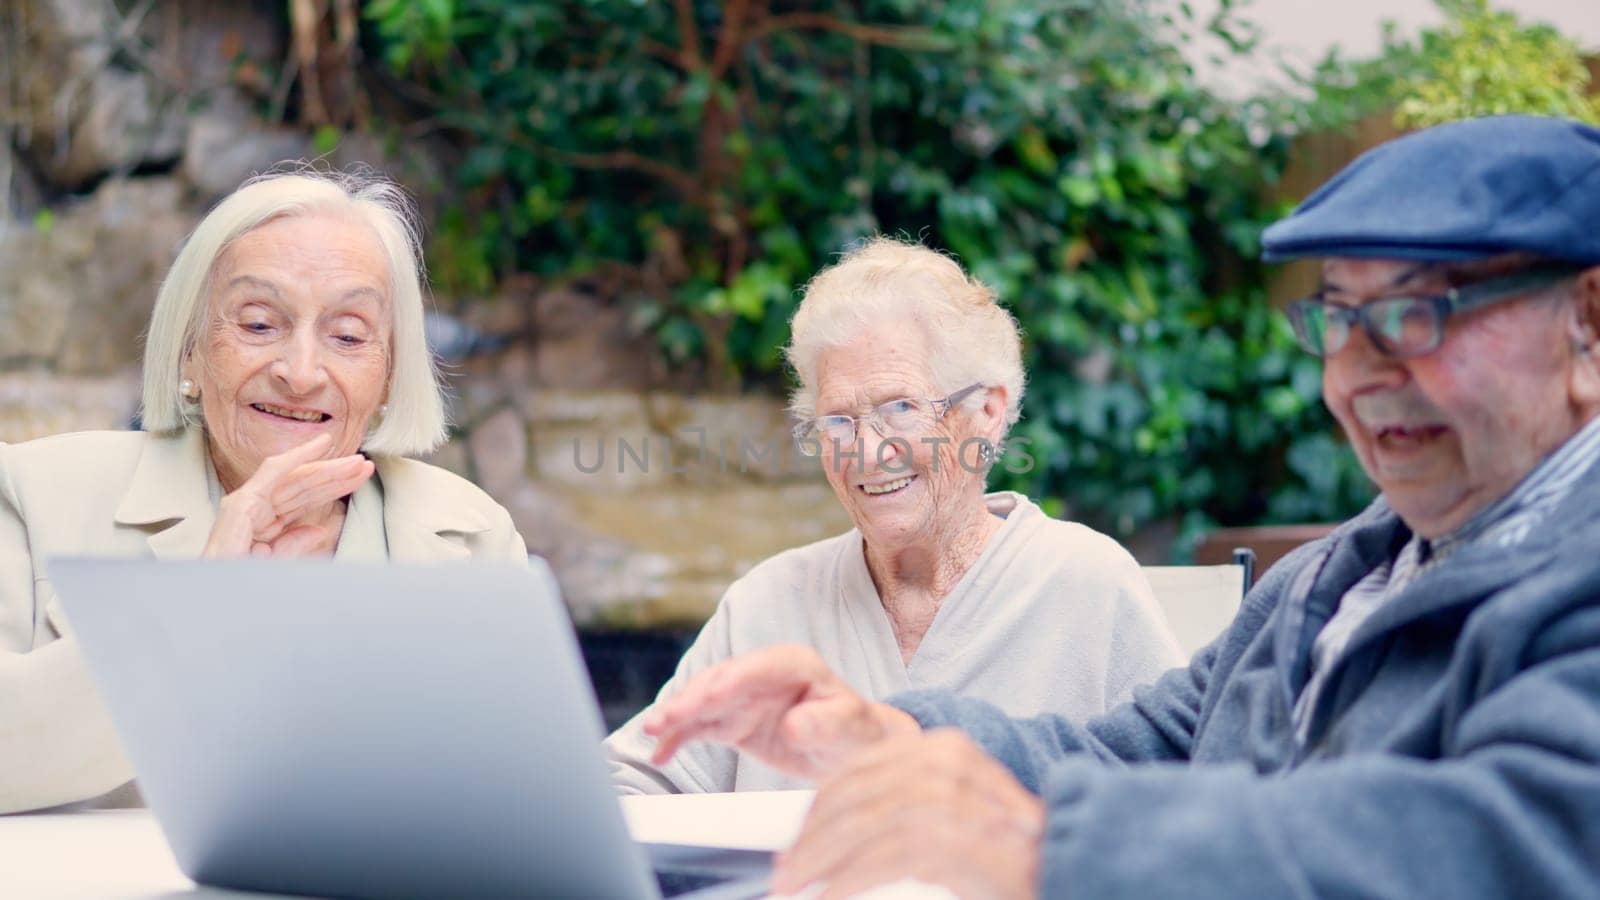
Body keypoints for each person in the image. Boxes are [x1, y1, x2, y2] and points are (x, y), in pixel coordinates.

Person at [639, 115, 1600, 898]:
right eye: (1339, 320)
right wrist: (889, 738)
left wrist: (1053, 851)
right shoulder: (1329, 576)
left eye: (1413, 313)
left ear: (1587, 321)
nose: (1356, 374)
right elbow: (1137, 752)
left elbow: (1515, 843)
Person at [0, 168, 529, 815]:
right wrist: (199, 603)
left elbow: (510, 804)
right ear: (191, 352)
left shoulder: (473, 534)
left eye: (348, 336)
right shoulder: (33, 492)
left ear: (389, 374)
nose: (300, 373)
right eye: (258, 324)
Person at [606, 238, 1182, 793]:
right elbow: (634, 780)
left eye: (899, 408)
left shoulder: (1086, 584)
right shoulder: (769, 601)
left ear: (986, 411)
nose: (866, 450)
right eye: (838, 420)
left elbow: (1181, 796)